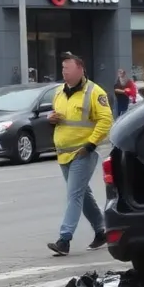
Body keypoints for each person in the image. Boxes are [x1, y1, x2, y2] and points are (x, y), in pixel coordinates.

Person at [47, 53, 114, 256]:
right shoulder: (59, 92)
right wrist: (51, 118)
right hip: (63, 153)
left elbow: (106, 120)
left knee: (74, 194)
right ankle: (101, 231)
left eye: (67, 68)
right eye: (62, 68)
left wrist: (91, 144)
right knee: (82, 195)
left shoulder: (94, 92)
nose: (64, 72)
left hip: (83, 152)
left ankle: (64, 239)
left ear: (80, 69)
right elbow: (59, 117)